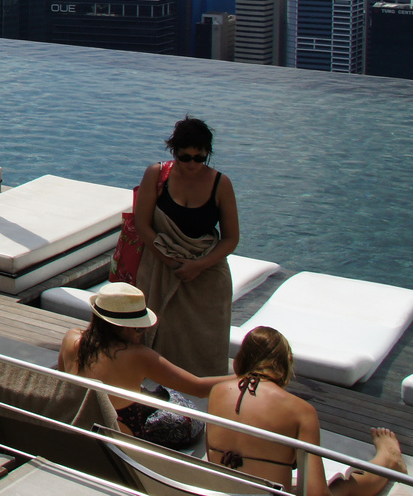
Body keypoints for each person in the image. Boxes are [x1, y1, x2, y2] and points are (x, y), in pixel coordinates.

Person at [208, 327, 403, 496]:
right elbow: (315, 494)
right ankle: (387, 459)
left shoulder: (217, 392)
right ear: (287, 361)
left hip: (214, 490)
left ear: (241, 359)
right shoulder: (300, 411)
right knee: (343, 487)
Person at [58, 282, 236, 450]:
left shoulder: (72, 338)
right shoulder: (138, 356)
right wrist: (247, 375)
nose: (143, 332)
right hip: (120, 427)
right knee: (185, 410)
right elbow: (198, 388)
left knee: (150, 392)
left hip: (80, 418)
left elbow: (62, 382)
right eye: (139, 328)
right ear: (120, 326)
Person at [134, 116, 240, 376]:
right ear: (174, 151)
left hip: (206, 277)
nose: (192, 163)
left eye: (199, 157)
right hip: (161, 268)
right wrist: (171, 261)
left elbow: (231, 238)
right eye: (185, 157)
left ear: (207, 153)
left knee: (206, 348)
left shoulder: (221, 184)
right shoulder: (156, 174)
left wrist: (198, 266)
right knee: (158, 341)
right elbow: (142, 225)